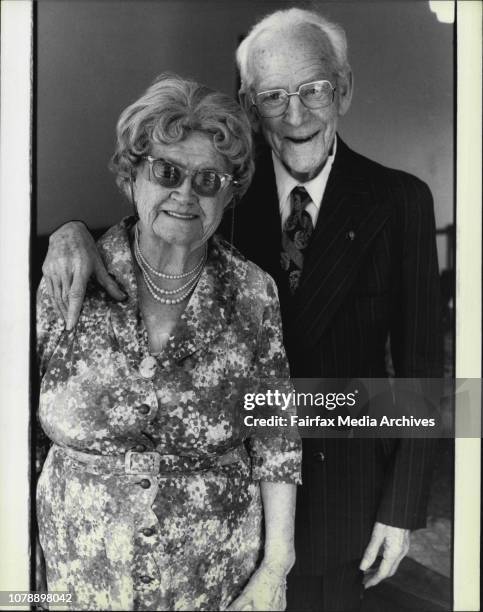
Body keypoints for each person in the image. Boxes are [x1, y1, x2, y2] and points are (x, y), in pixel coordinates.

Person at [41, 8, 443, 612]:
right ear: (251, 105)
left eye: (314, 89)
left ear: (345, 88)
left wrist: (402, 508)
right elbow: (150, 225)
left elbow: (423, 375)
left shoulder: (403, 200)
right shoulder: (221, 188)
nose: (297, 113)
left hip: (340, 503)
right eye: (274, 96)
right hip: (217, 526)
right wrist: (67, 233)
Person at [37, 73, 301, 612]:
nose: (186, 193)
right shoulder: (67, 279)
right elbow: (15, 431)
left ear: (229, 192)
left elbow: (276, 439)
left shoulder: (253, 294)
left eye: (209, 179)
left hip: (212, 582)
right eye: (167, 171)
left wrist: (276, 567)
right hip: (79, 583)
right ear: (132, 176)